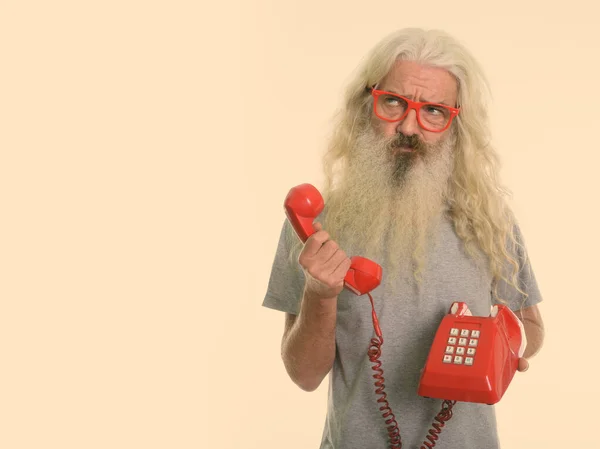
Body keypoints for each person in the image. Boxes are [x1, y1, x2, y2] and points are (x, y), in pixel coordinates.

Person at [262, 28, 545, 449]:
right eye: (393, 102)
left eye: (433, 110)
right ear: (366, 104)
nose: (409, 126)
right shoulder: (318, 226)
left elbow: (531, 326)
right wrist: (320, 294)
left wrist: (504, 346)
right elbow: (304, 376)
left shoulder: (488, 220)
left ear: (456, 124)